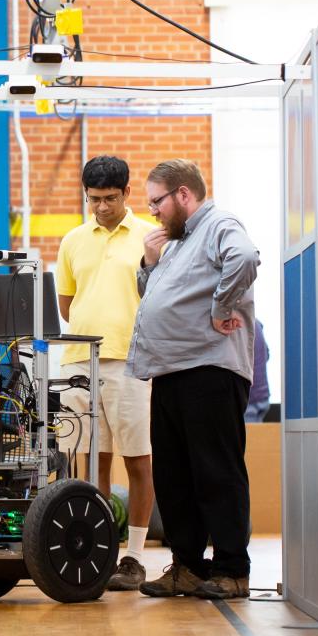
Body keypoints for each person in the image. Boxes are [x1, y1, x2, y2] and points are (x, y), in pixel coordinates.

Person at [127, 159, 261, 601]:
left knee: (215, 471)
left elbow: (244, 258)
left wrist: (223, 309)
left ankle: (230, 569)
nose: (154, 212)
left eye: (157, 202)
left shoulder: (219, 223)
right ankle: (186, 566)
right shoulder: (178, 242)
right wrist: (149, 264)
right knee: (174, 475)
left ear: (183, 194)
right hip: (171, 371)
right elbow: (161, 299)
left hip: (209, 368)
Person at [54, 156, 159, 591]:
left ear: (127, 194)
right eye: (93, 199)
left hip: (131, 362)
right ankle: (96, 549)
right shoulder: (73, 240)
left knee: (136, 458)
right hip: (80, 359)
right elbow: (67, 304)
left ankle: (133, 556)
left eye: (109, 199)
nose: (100, 207)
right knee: (87, 460)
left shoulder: (150, 238)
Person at [246, 320, 271, 423]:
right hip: (262, 396)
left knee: (248, 438)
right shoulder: (257, 324)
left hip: (249, 399)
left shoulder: (239, 325)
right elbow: (267, 354)